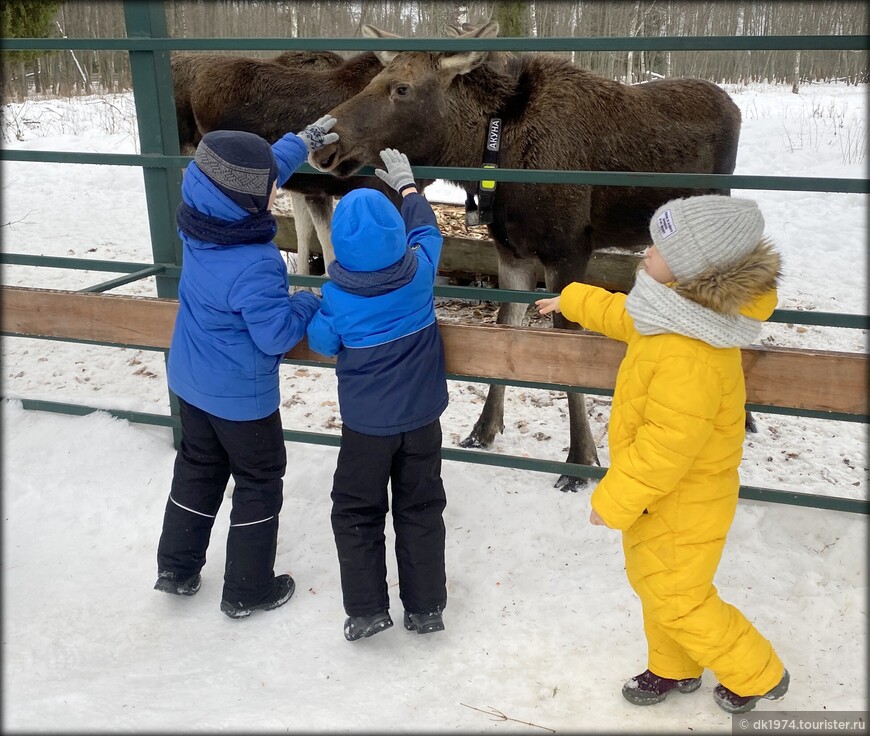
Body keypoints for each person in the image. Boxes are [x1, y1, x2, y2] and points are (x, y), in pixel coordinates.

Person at [536, 195, 789, 714]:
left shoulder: (692, 353)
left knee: (679, 595)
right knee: (658, 583)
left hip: (683, 495)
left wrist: (616, 499)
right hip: (661, 497)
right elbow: (624, 315)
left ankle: (758, 671)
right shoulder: (673, 313)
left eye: (660, 246)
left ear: (696, 269)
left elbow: (665, 449)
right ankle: (674, 667)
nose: (644, 252)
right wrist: (572, 300)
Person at [154, 116, 338, 619]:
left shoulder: (196, 215)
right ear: (248, 201)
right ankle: (247, 588)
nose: (274, 194)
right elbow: (275, 335)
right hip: (241, 399)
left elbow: (258, 175)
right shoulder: (253, 262)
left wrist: (299, 143)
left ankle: (176, 566)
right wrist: (303, 301)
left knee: (198, 468)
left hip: (192, 382)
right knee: (259, 480)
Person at [306, 148, 449, 642]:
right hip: (422, 421)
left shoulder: (338, 298)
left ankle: (367, 609)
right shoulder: (420, 273)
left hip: (366, 428)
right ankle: (426, 606)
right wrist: (409, 190)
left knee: (356, 511)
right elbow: (429, 233)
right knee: (421, 508)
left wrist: (311, 305)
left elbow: (324, 344)